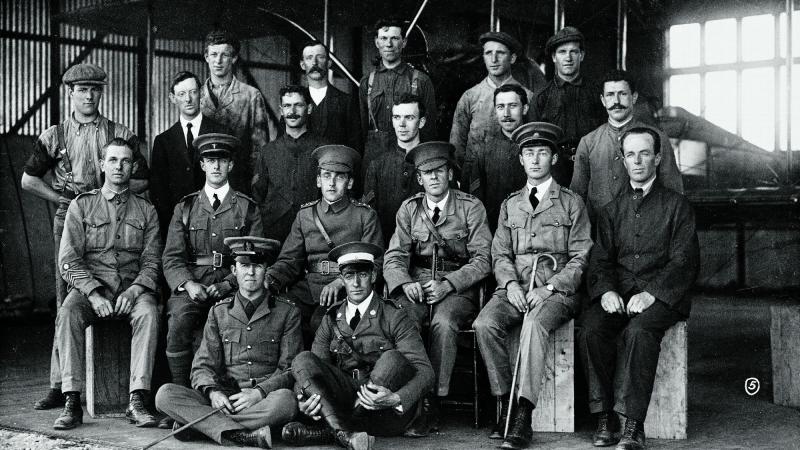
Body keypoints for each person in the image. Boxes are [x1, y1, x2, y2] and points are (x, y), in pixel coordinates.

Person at [21, 63, 149, 412]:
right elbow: (28, 180)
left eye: (95, 89)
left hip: (115, 211)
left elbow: (143, 180)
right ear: (70, 93)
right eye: (82, 89)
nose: (89, 95)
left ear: (101, 92)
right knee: (68, 298)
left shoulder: (119, 131)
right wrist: (64, 199)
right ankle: (60, 385)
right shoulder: (55, 135)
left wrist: (113, 187)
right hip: (72, 217)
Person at [577, 127, 699, 450]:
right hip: (620, 294)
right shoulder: (610, 211)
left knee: (639, 332)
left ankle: (633, 426)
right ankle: (604, 417)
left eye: (645, 153)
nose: (638, 161)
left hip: (662, 296)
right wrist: (605, 291)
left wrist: (651, 294)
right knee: (590, 329)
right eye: (630, 154)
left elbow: (684, 261)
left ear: (657, 158)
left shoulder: (677, 206)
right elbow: (600, 261)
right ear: (623, 160)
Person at [472, 122, 592, 449]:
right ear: (521, 160)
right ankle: (503, 403)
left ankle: (522, 414)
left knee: (535, 324)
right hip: (516, 288)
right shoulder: (510, 205)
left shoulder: (571, 203)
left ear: (553, 158)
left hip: (557, 291)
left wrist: (550, 288)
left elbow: (581, 257)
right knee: (485, 323)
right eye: (528, 153)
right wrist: (509, 283)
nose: (535, 159)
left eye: (542, 152)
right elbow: (500, 252)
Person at [280, 242, 434, 450]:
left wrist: (395, 398)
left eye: (362, 275)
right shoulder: (332, 317)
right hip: (346, 398)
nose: (356, 283)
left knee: (392, 359)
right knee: (302, 359)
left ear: (373, 276)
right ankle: (345, 434)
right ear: (341, 279)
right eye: (350, 276)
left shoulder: (394, 315)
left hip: (383, 411)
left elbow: (426, 372)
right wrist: (303, 397)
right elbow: (315, 368)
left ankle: (332, 431)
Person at [383, 141, 492, 433]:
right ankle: (405, 396)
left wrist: (448, 284)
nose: (433, 177)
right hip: (416, 284)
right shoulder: (409, 210)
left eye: (439, 171)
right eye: (426, 173)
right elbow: (394, 257)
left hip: (457, 287)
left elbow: (483, 260)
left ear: (450, 174)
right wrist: (404, 283)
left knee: (443, 323)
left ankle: (433, 401)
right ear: (418, 178)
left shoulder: (471, 208)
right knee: (404, 321)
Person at [52, 139, 161, 430]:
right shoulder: (82, 205)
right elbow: (68, 260)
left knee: (149, 313)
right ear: (102, 164)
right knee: (68, 312)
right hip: (91, 289)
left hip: (131, 289)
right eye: (112, 160)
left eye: (125, 161)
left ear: (133, 167)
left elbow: (152, 262)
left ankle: (137, 400)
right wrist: (93, 292)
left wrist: (136, 289)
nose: (119, 167)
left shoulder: (147, 211)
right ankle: (72, 401)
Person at [155, 236, 301, 448]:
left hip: (262, 400)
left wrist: (259, 393)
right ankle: (240, 434)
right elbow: (202, 366)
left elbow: (288, 368)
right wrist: (213, 393)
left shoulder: (287, 312)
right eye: (244, 265)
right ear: (234, 270)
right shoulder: (219, 312)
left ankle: (202, 426)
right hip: (225, 398)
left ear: (266, 270)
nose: (250, 273)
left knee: (286, 402)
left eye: (257, 266)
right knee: (165, 395)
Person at [162, 133, 263, 389]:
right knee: (179, 322)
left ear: (231, 165)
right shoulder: (186, 208)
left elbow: (255, 259)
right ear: (202, 165)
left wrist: (229, 284)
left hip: (235, 287)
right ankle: (180, 393)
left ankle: (230, 391)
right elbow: (172, 257)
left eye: (222, 160)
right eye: (210, 159)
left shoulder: (247, 208)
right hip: (194, 286)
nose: (216, 166)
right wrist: (188, 284)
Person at [266, 145, 384, 343]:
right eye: (327, 176)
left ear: (350, 182)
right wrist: (269, 278)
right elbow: (289, 261)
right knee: (278, 315)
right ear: (318, 181)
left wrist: (340, 281)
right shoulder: (305, 215)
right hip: (309, 288)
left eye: (339, 177)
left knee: (320, 322)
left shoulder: (364, 215)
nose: (332, 183)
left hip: (347, 288)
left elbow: (376, 263)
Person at [570, 70, 683, 222]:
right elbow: (576, 196)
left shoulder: (657, 138)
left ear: (634, 97)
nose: (616, 101)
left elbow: (674, 191)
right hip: (599, 233)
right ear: (603, 100)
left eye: (622, 94)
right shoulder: (588, 142)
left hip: (644, 229)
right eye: (610, 95)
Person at [151, 70, 228, 238]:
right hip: (177, 227)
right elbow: (158, 193)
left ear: (201, 93)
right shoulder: (163, 141)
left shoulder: (221, 134)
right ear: (172, 98)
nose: (188, 99)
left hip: (216, 223)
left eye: (193, 92)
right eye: (181, 94)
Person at [359, 18, 438, 178]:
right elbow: (360, 129)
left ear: (404, 42)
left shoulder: (421, 80)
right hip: (374, 161)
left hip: (411, 159)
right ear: (376, 42)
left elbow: (430, 130)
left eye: (395, 38)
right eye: (384, 38)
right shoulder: (367, 82)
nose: (389, 44)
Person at [200, 29, 276, 194]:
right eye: (213, 54)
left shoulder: (250, 95)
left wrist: (255, 188)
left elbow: (260, 148)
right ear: (206, 57)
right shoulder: (196, 97)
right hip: (202, 183)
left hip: (239, 183)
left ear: (234, 58)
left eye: (224, 55)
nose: (218, 61)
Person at [530, 26, 605, 185]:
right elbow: (534, 142)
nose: (568, 57)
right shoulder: (541, 98)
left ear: (582, 55)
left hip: (592, 168)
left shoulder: (597, 94)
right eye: (562, 52)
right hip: (554, 171)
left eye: (574, 52)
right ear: (554, 57)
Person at [450, 31, 534, 171]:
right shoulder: (470, 97)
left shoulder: (529, 97)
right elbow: (457, 146)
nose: (493, 59)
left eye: (500, 53)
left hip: (515, 174)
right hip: (476, 178)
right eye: (488, 53)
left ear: (512, 58)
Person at [252, 85, 326, 243]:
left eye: (298, 105)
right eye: (287, 106)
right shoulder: (268, 152)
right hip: (275, 235)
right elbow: (257, 197)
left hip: (313, 234)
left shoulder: (323, 150)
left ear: (309, 108)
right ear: (281, 110)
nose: (292, 111)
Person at [463, 84, 530, 232]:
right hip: (495, 231)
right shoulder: (484, 151)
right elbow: (476, 200)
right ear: (495, 111)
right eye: (500, 107)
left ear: (525, 109)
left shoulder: (539, 147)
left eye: (512, 106)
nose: (506, 113)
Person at [361, 93, 426, 244]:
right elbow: (369, 218)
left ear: (421, 122)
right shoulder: (377, 166)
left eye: (409, 118)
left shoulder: (433, 164)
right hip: (387, 250)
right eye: (397, 117)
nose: (402, 124)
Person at [301, 40, 361, 151]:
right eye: (309, 58)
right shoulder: (293, 102)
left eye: (320, 57)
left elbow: (355, 148)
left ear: (329, 63)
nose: (315, 62)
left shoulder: (346, 102)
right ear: (302, 65)